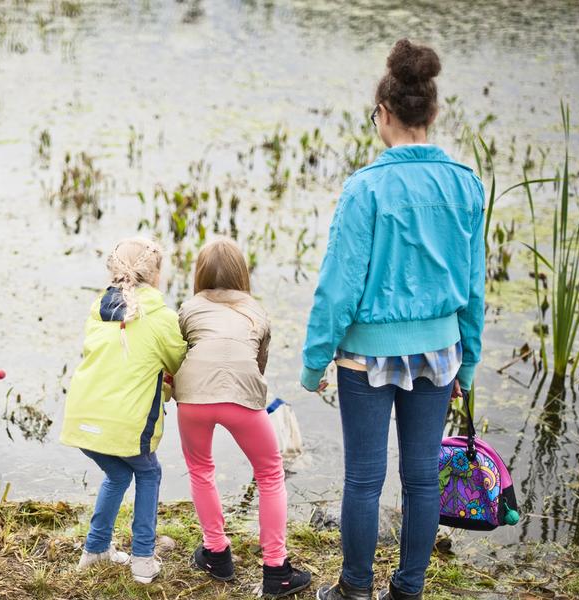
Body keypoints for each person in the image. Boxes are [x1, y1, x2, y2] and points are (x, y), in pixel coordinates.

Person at [301, 39, 485, 600]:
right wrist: (469, 362)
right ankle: (408, 590)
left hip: (366, 353)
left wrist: (314, 361)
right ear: (432, 113)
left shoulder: (365, 188)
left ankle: (354, 589)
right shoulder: (467, 183)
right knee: (422, 478)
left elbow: (339, 287)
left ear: (383, 114)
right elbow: (474, 287)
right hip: (439, 350)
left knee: (362, 478)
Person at [174, 238, 311, 597]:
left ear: (199, 274)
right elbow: (259, 362)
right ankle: (276, 570)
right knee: (270, 474)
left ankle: (217, 554)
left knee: (201, 470)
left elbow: (180, 350)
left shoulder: (189, 307)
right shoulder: (256, 311)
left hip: (193, 396)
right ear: (242, 274)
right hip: (242, 396)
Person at [59, 237, 187, 584]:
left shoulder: (97, 307)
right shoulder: (162, 318)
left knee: (117, 474)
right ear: (156, 275)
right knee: (148, 473)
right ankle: (143, 559)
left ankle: (95, 549)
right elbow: (179, 361)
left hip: (83, 417)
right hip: (125, 427)